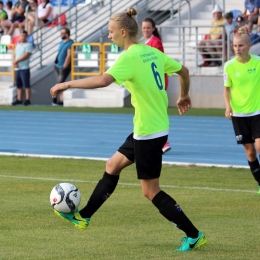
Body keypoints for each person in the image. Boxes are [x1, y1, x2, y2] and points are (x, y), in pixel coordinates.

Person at [50, 8, 207, 252]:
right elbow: (183, 71)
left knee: (150, 191)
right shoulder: (151, 52)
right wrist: (184, 94)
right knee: (112, 165)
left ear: (123, 32)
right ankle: (84, 217)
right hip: (149, 127)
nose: (109, 36)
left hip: (148, 133)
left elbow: (103, 80)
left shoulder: (129, 57)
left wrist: (67, 83)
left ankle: (194, 234)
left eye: (111, 32)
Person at [223, 26, 260, 194]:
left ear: (249, 46)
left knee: (259, 147)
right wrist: (228, 106)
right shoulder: (229, 66)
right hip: (239, 115)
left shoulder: (258, 63)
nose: (237, 49)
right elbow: (226, 88)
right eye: (235, 46)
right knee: (251, 153)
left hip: (257, 112)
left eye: (241, 46)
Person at [141, 17, 171, 154]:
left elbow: (158, 63)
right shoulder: (145, 43)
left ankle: (163, 142)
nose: (146, 30)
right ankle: (157, 141)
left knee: (156, 113)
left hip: (156, 84)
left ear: (153, 28)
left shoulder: (155, 42)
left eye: (148, 27)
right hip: (149, 84)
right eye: (144, 28)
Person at [52, 27, 74, 106]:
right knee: (60, 83)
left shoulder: (70, 43)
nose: (61, 35)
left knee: (59, 83)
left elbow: (69, 55)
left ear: (67, 34)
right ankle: (60, 100)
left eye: (63, 33)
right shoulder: (61, 42)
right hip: (57, 65)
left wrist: (65, 66)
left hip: (63, 67)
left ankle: (54, 97)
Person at [12, 30, 33, 106]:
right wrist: (14, 62)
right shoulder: (18, 45)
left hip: (24, 67)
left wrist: (17, 60)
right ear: (20, 36)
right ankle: (19, 99)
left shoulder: (28, 45)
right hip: (18, 67)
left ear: (27, 36)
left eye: (24, 36)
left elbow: (26, 55)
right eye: (22, 35)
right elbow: (14, 54)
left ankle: (28, 99)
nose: (23, 37)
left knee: (26, 84)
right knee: (18, 84)